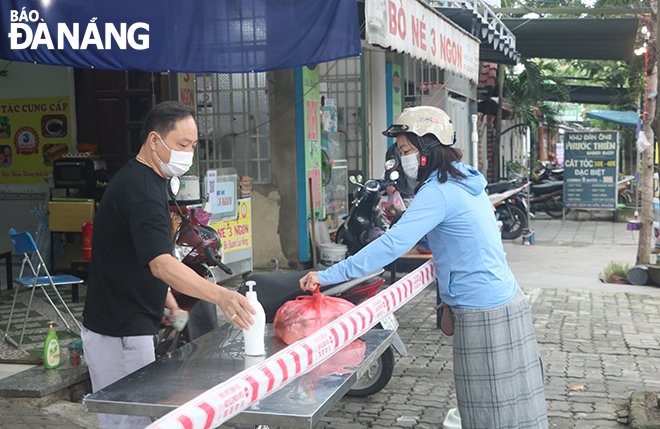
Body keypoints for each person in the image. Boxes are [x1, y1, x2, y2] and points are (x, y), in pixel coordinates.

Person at [300, 106, 548, 428]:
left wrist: (328, 274)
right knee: (516, 403)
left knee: (485, 410)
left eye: (406, 150)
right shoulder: (465, 179)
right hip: (505, 300)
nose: (403, 158)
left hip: (481, 310)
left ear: (428, 148)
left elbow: (391, 245)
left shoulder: (439, 191)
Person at [82, 101, 255, 429]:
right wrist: (221, 296)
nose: (188, 153)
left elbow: (134, 253)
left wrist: (167, 299)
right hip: (119, 330)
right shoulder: (144, 191)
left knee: (135, 417)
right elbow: (160, 263)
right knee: (128, 422)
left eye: (192, 145)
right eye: (181, 145)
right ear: (154, 141)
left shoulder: (141, 178)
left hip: (124, 321)